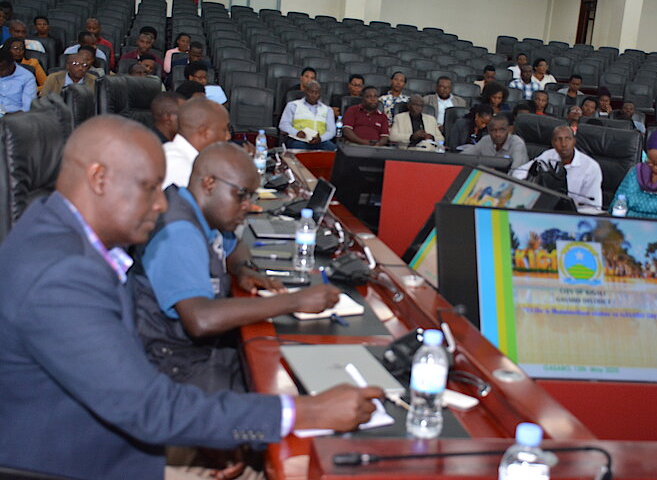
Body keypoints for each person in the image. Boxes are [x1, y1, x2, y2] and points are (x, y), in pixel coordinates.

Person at [0, 115, 381, 479]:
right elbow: (150, 409)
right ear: (99, 178)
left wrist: (209, 432)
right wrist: (305, 411)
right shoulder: (61, 275)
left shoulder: (56, 232)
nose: (162, 203)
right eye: (150, 187)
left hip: (116, 433)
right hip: (87, 463)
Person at [135, 142, 340, 393]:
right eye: (241, 195)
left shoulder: (199, 211)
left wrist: (243, 269)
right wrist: (295, 301)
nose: (248, 205)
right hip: (174, 371)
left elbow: (234, 246)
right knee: (289, 387)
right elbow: (201, 319)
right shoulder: (179, 233)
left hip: (195, 353)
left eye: (251, 196)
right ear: (209, 184)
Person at [513, 125, 603, 213]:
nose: (563, 144)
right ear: (553, 143)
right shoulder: (548, 155)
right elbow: (519, 172)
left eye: (568, 139)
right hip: (546, 208)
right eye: (559, 139)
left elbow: (593, 207)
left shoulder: (590, 167)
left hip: (574, 215)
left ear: (574, 141)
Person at [162, 97, 231, 189]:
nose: (228, 137)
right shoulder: (178, 165)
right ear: (204, 132)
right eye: (224, 130)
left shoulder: (181, 155)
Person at [278, 79, 337, 151]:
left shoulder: (328, 110)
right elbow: (283, 125)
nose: (314, 95)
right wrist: (296, 132)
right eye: (311, 92)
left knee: (332, 149)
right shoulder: (293, 105)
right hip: (299, 140)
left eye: (316, 93)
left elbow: (331, 131)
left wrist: (321, 138)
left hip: (320, 141)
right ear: (305, 92)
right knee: (298, 148)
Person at [462, 114, 528, 169]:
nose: (497, 134)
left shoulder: (517, 143)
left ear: (508, 130)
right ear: (488, 131)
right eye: (493, 130)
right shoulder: (485, 140)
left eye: (502, 130)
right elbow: (463, 157)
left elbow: (516, 170)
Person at [0, 46, 36, 112]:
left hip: (15, 115)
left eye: (2, 70)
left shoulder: (27, 78)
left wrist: (8, 115)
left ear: (12, 64)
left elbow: (28, 108)